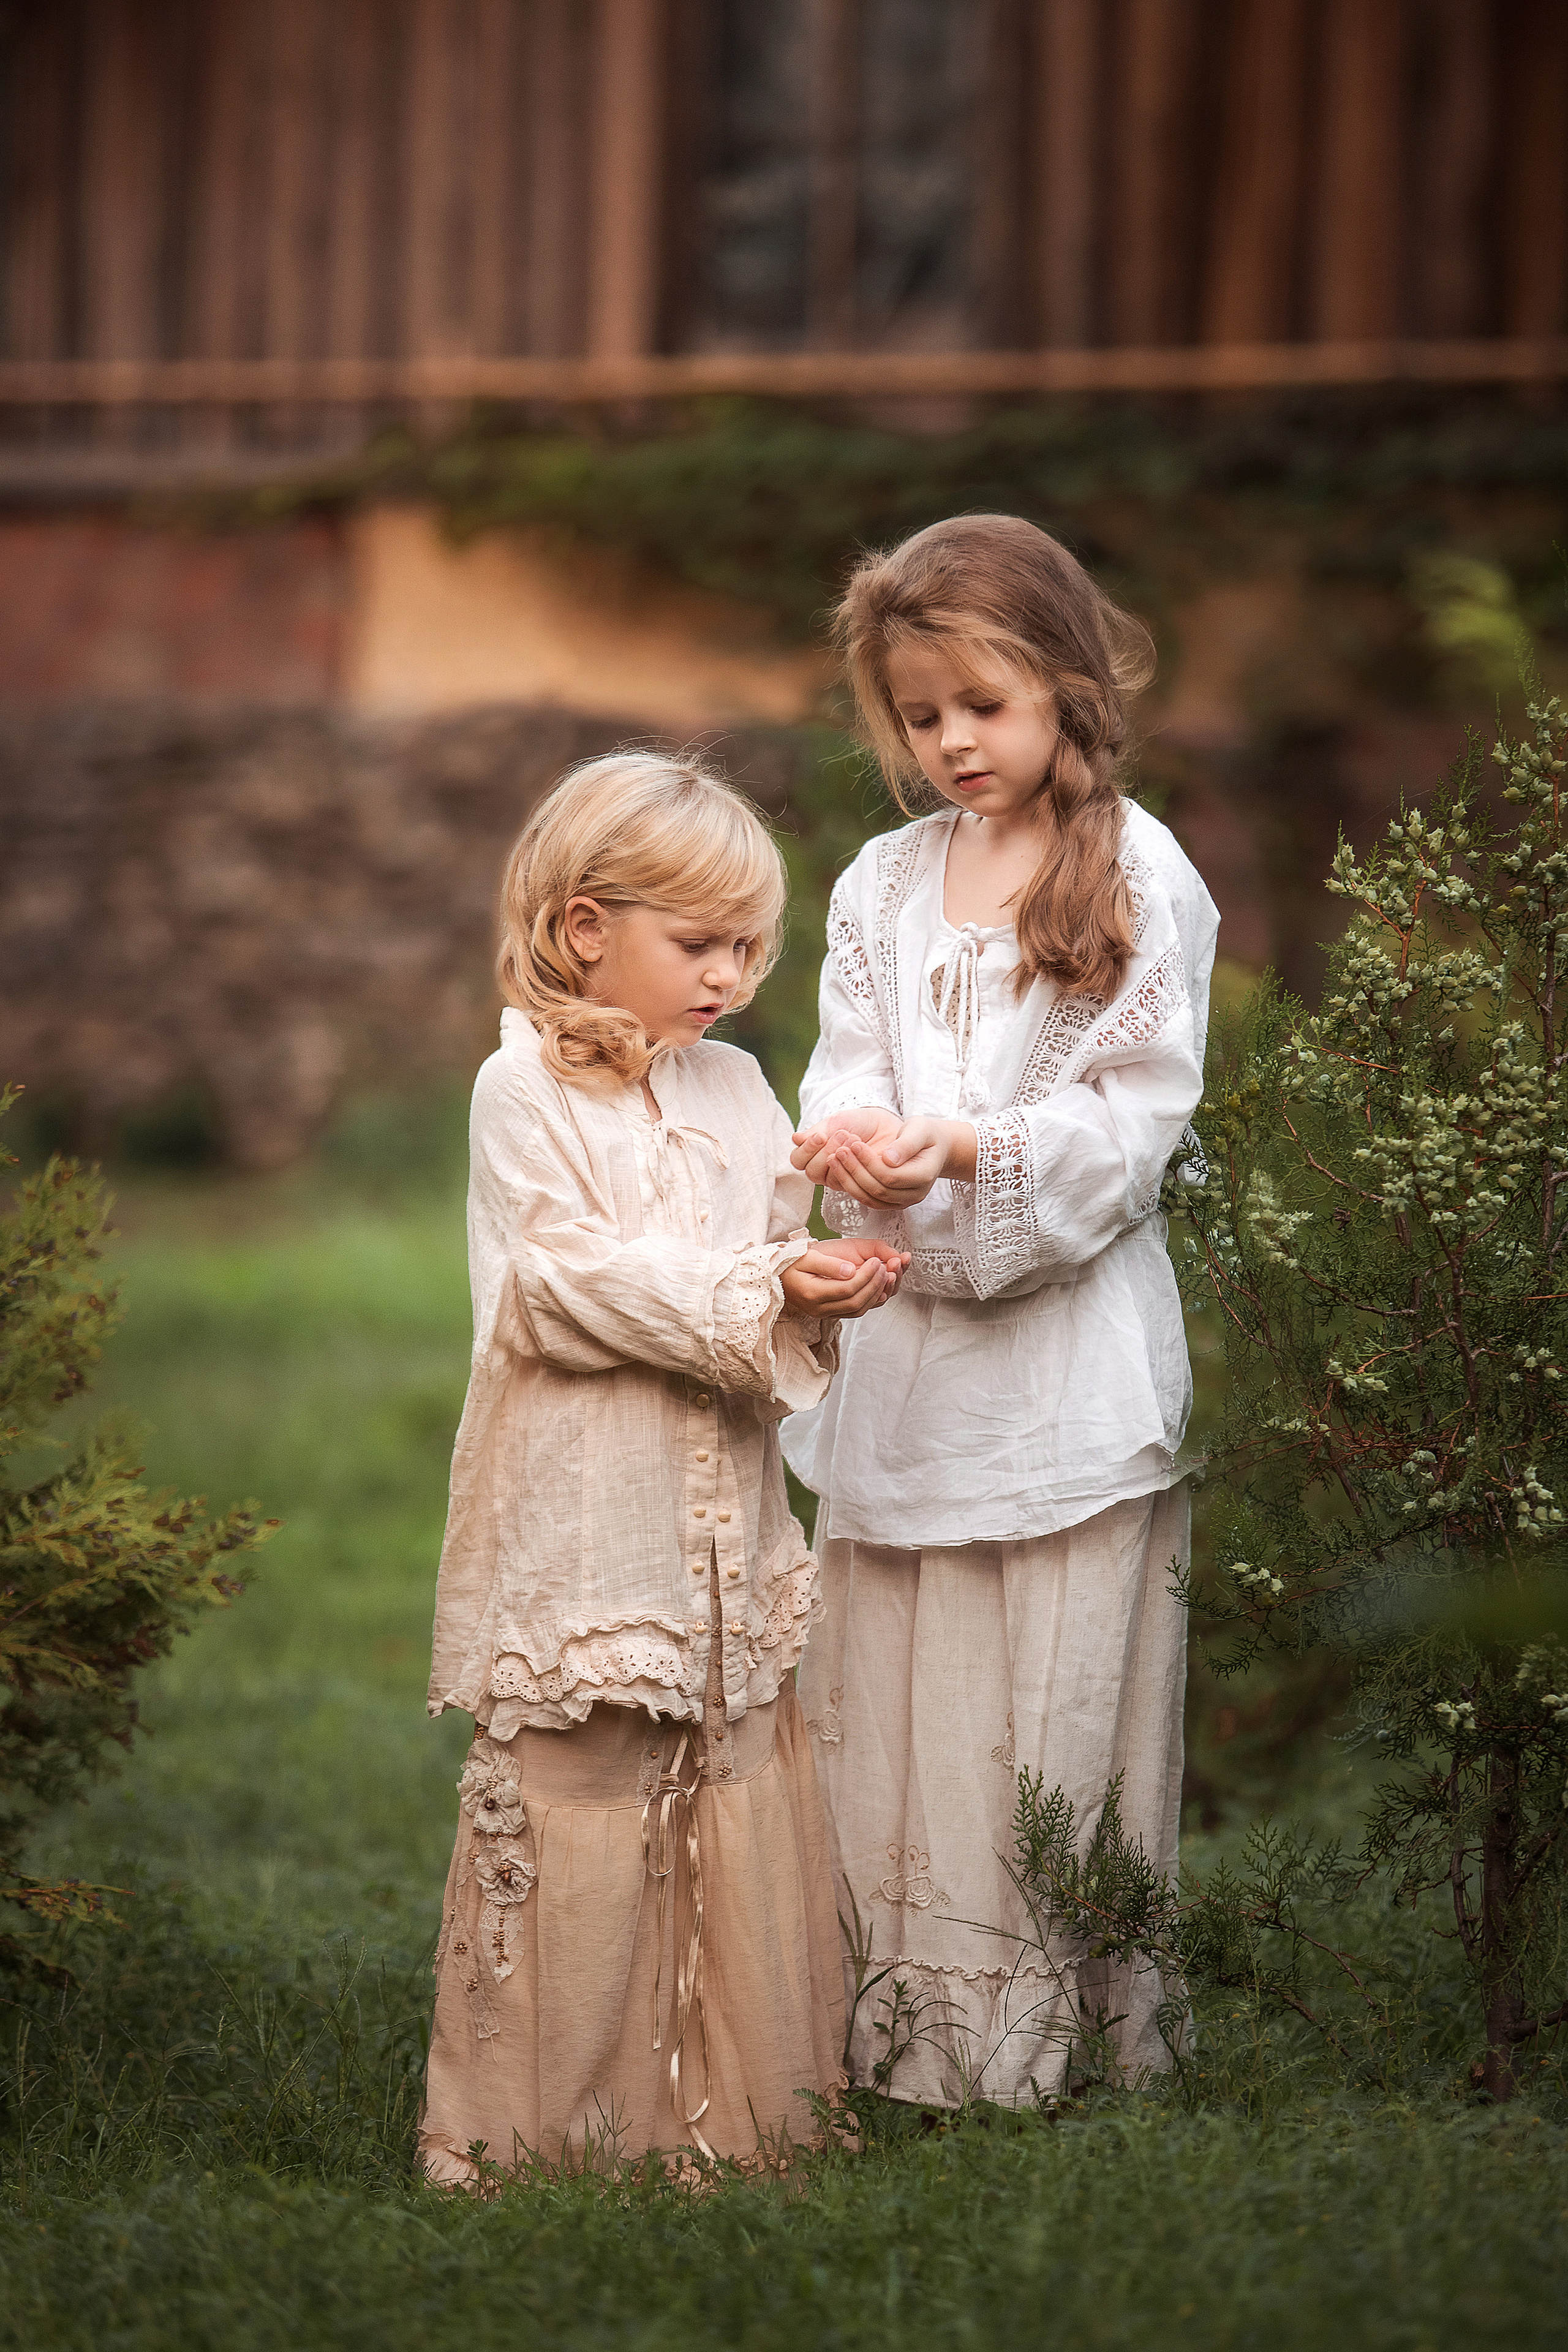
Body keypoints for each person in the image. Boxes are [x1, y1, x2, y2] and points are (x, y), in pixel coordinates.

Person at [419, 751, 908, 2182]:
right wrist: (761, 1293)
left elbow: (763, 1252)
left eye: (751, 947)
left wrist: (820, 1240)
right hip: (588, 1529)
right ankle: (532, 2140)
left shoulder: (740, 1085)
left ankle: (743, 2127)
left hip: (726, 1526)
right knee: (582, 1786)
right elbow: (564, 1284)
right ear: (584, 927)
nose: (732, 975)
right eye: (699, 944)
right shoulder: (521, 1093)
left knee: (731, 1771)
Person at [784, 515, 1219, 2107]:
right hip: (912, 1369)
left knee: (1047, 1701)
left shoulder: (1140, 874)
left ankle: (1053, 2042)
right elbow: (849, 1057)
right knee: (908, 1699)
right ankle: (900, 2040)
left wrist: (969, 1146)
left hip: (1066, 1381)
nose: (954, 740)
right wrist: (850, 1136)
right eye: (921, 714)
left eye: (985, 701)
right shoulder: (882, 887)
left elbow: (1130, 1126)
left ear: (1066, 687)